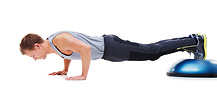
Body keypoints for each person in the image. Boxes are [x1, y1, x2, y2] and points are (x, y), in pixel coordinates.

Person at [19, 31, 207, 81]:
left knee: (152, 52)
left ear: (37, 46)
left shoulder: (58, 40)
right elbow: (67, 53)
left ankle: (194, 41)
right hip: (110, 51)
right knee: (152, 52)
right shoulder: (53, 44)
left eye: (32, 55)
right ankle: (189, 44)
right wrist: (65, 69)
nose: (34, 59)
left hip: (112, 47)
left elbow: (85, 49)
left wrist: (84, 75)